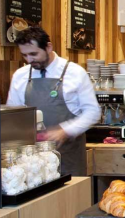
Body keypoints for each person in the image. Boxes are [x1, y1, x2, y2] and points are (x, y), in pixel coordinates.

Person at [6, 27, 100, 176]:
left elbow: (93, 112)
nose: (29, 60)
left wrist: (65, 130)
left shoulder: (75, 73)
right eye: (24, 55)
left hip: (69, 157)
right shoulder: (20, 76)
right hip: (32, 165)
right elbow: (13, 115)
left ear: (49, 47)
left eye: (33, 54)